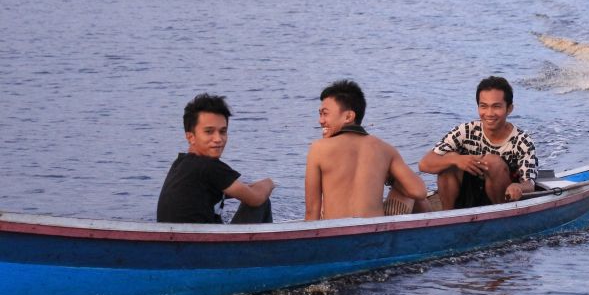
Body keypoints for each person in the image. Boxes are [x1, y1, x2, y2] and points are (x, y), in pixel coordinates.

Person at [304, 79, 430, 220]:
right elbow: (419, 192)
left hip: (336, 234)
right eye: (320, 114)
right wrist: (386, 176)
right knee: (407, 191)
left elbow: (311, 211)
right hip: (376, 234)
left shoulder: (318, 148)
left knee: (322, 203)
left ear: (348, 116)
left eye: (325, 114)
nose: (320, 121)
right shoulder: (385, 149)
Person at [419, 76, 538, 209]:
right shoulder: (465, 131)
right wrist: (457, 160)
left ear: (509, 109)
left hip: (502, 201)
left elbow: (530, 184)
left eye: (496, 107)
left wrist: (518, 187)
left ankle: (499, 216)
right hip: (466, 197)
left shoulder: (522, 141)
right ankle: (449, 216)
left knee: (491, 162)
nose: (489, 113)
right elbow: (424, 164)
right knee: (448, 158)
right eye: (484, 106)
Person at [157, 93, 275, 224]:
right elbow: (255, 199)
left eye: (223, 131)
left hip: (175, 239)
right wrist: (269, 183)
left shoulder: (181, 163)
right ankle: (270, 244)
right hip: (204, 243)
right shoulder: (209, 167)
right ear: (191, 137)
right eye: (209, 132)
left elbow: (219, 189)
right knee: (262, 201)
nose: (218, 139)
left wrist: (248, 188)